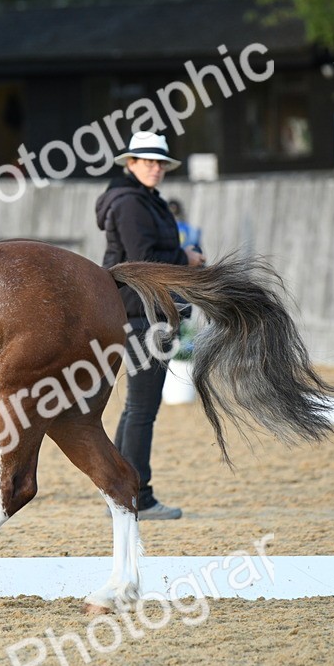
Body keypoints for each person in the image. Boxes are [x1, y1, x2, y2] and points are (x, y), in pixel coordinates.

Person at [94, 131, 206, 519]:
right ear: (131, 163)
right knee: (143, 408)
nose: (156, 168)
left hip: (146, 308)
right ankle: (135, 497)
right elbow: (142, 258)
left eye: (160, 162)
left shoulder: (145, 200)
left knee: (137, 407)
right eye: (148, 161)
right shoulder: (130, 204)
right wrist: (185, 258)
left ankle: (120, 492)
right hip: (142, 311)